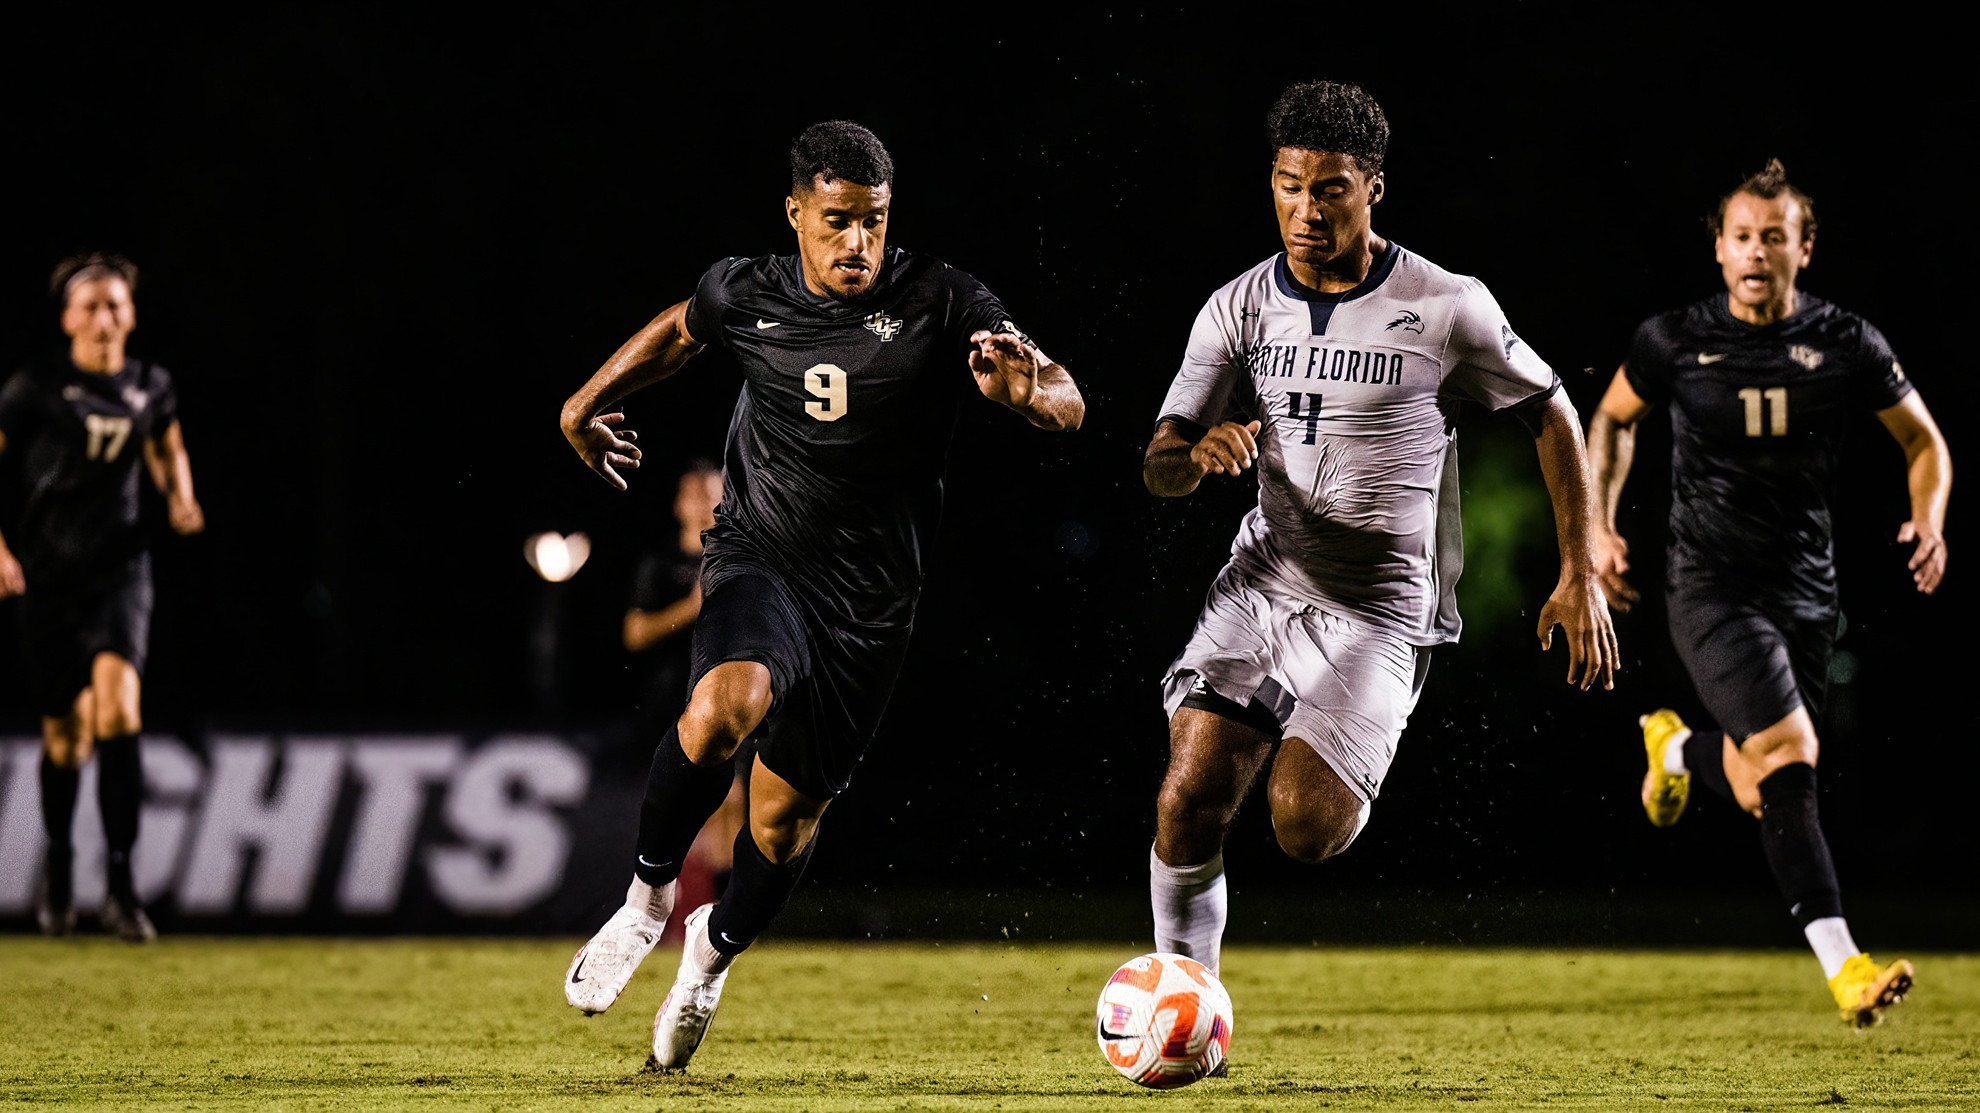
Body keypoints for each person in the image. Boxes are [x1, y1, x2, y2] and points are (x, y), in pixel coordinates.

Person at [556, 120, 1083, 1071]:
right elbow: (680, 332)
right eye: (837, 221)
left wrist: (1029, 395)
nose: (857, 244)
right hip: (761, 557)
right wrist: (579, 405)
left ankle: (709, 961)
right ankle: (644, 904)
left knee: (781, 823)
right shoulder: (747, 290)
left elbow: (1066, 397)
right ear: (796, 214)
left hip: (871, 606)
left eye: (873, 223)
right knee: (727, 703)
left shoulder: (942, 297)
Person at [1142, 80, 1618, 995]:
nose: (1305, 211)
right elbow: (1157, 459)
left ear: (1374, 189)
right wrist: (1194, 450)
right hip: (1264, 580)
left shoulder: (1446, 306)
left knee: (1303, 827)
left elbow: (1554, 415)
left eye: (1329, 190)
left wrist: (1580, 569)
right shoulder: (1237, 308)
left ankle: (1341, 728)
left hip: (1381, 610)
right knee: (1186, 797)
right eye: (1288, 186)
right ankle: (1184, 1000)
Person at [1587, 159, 1949, 1029]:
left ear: (1804, 247)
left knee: (1763, 782)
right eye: (1743, 237)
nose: (1757, 252)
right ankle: (1846, 967)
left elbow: (1925, 441)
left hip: (1807, 591)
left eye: (1774, 237)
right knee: (1791, 758)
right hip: (1707, 582)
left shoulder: (1848, 341)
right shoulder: (1673, 337)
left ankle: (1673, 752)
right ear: (1718, 248)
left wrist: (1928, 517)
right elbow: (1612, 419)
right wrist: (1599, 527)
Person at [0, 252, 204, 943]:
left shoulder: (151, 384)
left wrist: (181, 494)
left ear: (132, 315)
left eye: (115, 304)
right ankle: (59, 867)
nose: (104, 316)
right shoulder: (32, 388)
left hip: (121, 570)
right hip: (50, 575)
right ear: (66, 319)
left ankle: (120, 887)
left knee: (119, 711)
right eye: (90, 305)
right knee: (67, 737)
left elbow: (166, 446)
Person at [622, 460, 742, 940]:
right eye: (692, 493)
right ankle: (672, 913)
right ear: (678, 504)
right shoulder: (660, 564)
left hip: (726, 699)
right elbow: (634, 632)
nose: (701, 503)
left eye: (710, 493)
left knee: (731, 804)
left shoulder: (739, 559)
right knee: (682, 806)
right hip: (671, 701)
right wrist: (690, 609)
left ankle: (716, 917)